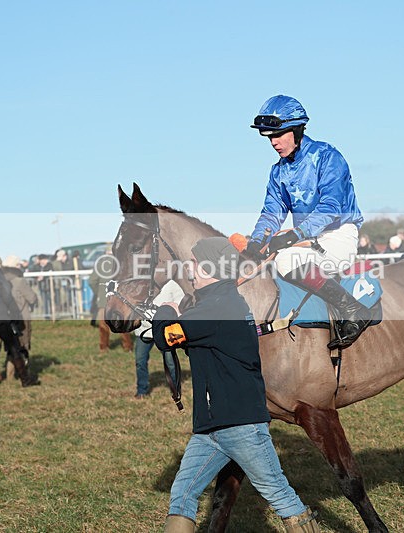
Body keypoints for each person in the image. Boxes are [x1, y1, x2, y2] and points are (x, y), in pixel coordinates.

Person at [152, 237, 319, 533]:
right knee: (183, 494)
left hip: (241, 427)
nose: (189, 268)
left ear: (208, 268)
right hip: (210, 429)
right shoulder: (219, 303)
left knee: (279, 494)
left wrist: (166, 308)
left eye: (194, 262)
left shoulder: (216, 307)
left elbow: (166, 337)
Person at [244, 94, 370, 350]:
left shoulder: (328, 156)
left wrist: (293, 235)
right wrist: (256, 242)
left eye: (278, 135)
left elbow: (331, 208)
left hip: (338, 234)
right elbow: (272, 212)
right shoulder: (278, 171)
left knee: (285, 260)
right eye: (269, 137)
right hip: (308, 239)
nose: (274, 142)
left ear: (297, 129)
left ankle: (353, 309)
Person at [0, 255, 38, 391]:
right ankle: (25, 380)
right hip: (0, 317)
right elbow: (7, 297)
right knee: (14, 348)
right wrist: (15, 316)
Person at [0, 255, 39, 382]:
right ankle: (21, 375)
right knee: (21, 347)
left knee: (4, 347)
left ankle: (2, 374)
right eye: (18, 264)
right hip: (19, 318)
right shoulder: (19, 281)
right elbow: (32, 298)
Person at [133, 280, 184, 398]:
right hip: (144, 330)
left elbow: (180, 301)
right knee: (140, 361)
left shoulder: (171, 283)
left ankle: (176, 390)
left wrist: (168, 309)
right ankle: (142, 390)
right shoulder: (141, 283)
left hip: (164, 330)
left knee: (171, 362)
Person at [87, 269, 134, 354]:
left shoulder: (101, 264)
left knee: (104, 325)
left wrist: (99, 292)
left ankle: (104, 347)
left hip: (104, 299)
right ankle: (128, 346)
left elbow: (92, 281)